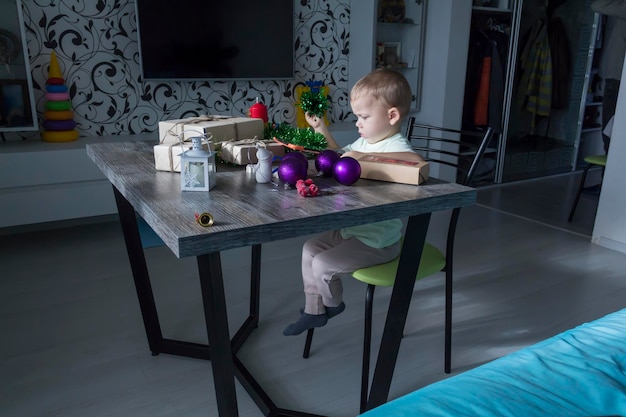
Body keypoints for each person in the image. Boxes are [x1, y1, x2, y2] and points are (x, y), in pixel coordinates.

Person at [283, 68, 425, 336]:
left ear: (392, 115)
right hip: (354, 229)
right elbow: (336, 156)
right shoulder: (368, 140)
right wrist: (321, 128)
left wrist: (362, 157)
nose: (358, 123)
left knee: (323, 265)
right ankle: (314, 311)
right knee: (310, 248)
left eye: (364, 117)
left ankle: (333, 304)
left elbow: (416, 163)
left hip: (380, 239)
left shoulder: (396, 145)